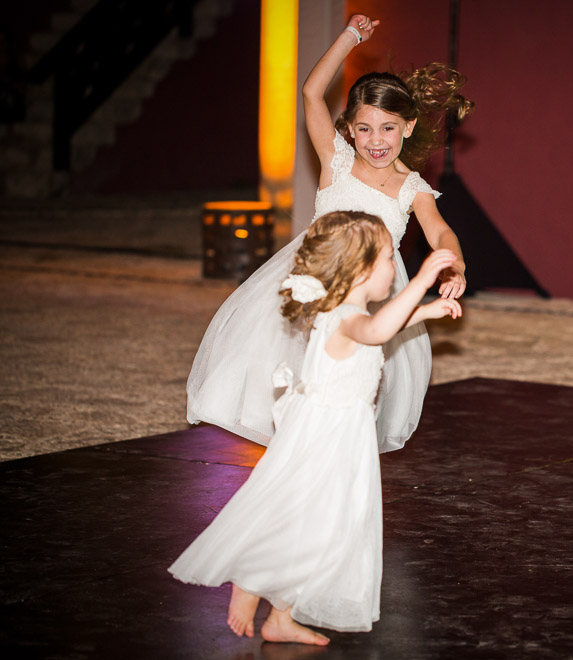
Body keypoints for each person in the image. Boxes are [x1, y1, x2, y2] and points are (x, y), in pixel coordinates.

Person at [169, 210, 462, 645]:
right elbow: (378, 329)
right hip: (325, 436)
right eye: (386, 260)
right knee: (302, 518)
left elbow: (381, 327)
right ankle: (249, 584)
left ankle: (281, 617)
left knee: (326, 526)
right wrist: (421, 282)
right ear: (359, 271)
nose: (392, 268)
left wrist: (424, 312)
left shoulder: (346, 311)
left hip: (342, 434)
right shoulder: (345, 317)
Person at [186, 13, 472, 453]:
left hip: (369, 286)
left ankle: (335, 444)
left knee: (351, 367)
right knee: (291, 356)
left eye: (388, 128)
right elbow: (311, 92)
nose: (376, 140)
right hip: (314, 271)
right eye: (364, 128)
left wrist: (453, 266)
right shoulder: (335, 160)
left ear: (408, 127)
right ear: (350, 130)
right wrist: (350, 37)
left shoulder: (411, 188)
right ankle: (289, 440)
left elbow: (442, 233)